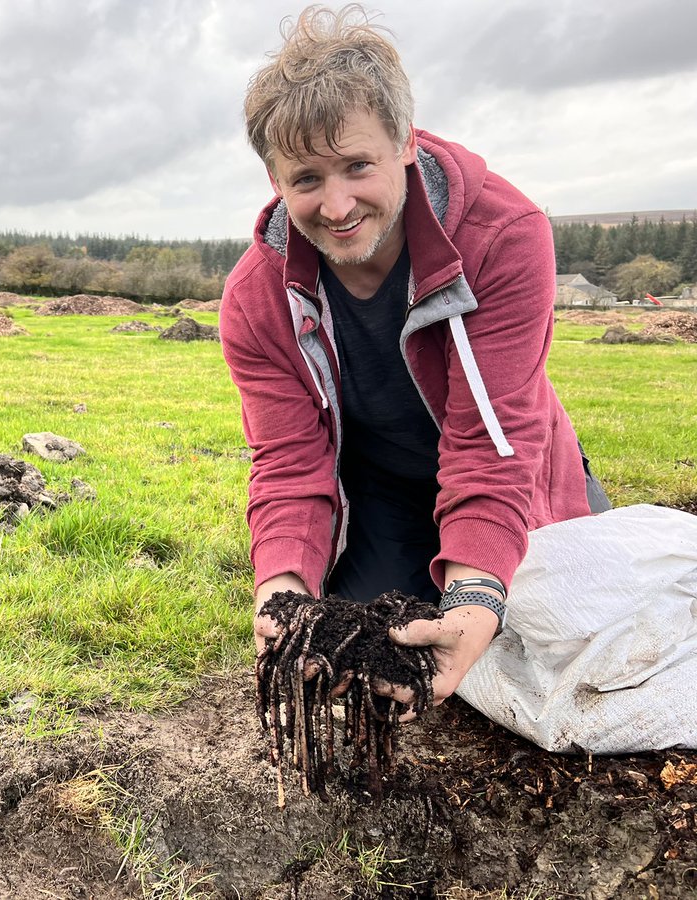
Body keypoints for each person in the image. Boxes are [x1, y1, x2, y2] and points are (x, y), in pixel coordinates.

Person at [219, 4, 610, 712]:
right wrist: (281, 589)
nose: (337, 205)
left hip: (512, 468)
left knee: (557, 638)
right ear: (275, 179)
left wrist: (476, 589)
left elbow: (495, 442)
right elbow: (287, 463)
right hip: (381, 492)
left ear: (403, 142)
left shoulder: (503, 236)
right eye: (306, 179)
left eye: (357, 166)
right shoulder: (255, 299)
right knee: (360, 656)